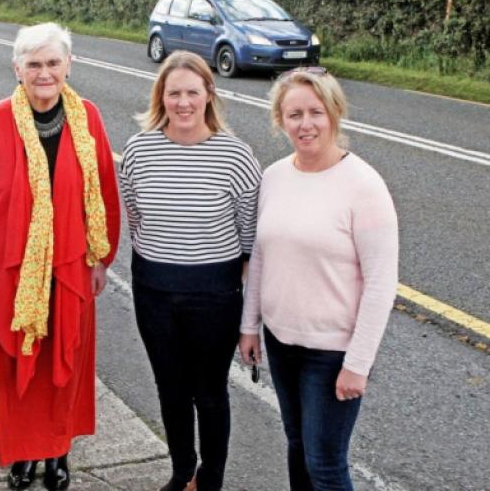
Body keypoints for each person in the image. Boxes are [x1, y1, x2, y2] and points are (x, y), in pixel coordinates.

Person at [0, 22, 120, 490]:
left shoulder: (88, 116)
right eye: (34, 64)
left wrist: (100, 259)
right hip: (6, 271)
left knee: (62, 365)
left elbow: (105, 191)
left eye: (52, 62)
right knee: (13, 367)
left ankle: (58, 450)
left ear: (69, 64)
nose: (44, 73)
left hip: (70, 266)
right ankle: (22, 453)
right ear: (17, 69)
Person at [239, 67, 399, 491]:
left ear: (334, 114)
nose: (305, 124)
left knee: (326, 463)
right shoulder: (273, 177)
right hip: (282, 343)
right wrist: (249, 325)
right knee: (297, 446)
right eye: (294, 115)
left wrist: (358, 365)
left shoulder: (364, 186)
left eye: (315, 112)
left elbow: (382, 284)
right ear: (280, 120)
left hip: (332, 353)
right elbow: (261, 257)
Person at [119, 51, 261, 491]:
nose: (183, 102)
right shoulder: (139, 151)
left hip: (213, 293)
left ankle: (210, 479)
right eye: (173, 92)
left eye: (192, 92)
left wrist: (237, 302)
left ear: (209, 95)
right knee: (170, 388)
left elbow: (250, 238)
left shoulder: (236, 157)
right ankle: (182, 472)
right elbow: (137, 217)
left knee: (210, 393)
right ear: (161, 95)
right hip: (154, 288)